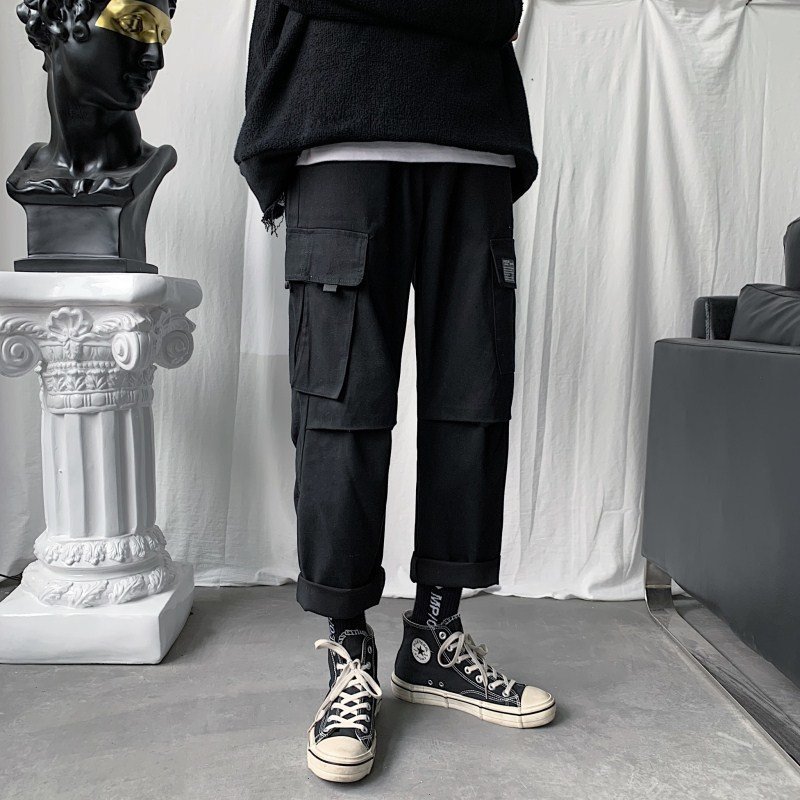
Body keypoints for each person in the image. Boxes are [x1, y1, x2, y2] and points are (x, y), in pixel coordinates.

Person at [235, 0, 556, 783]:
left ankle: (435, 637)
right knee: (339, 408)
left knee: (473, 400)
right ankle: (348, 652)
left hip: (473, 141)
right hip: (339, 132)